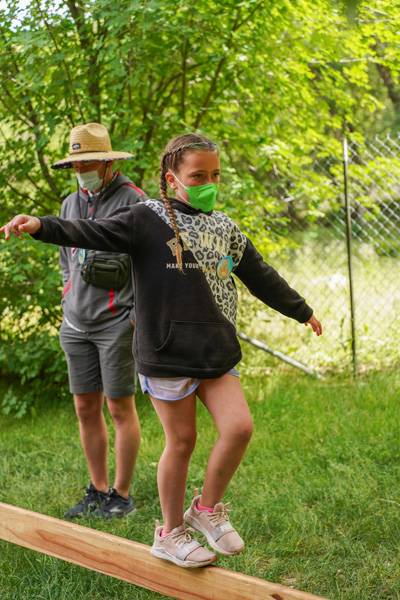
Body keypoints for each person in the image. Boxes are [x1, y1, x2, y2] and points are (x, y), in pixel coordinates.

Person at [1, 132, 322, 567]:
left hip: (215, 351)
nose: (208, 183)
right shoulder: (145, 219)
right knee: (182, 441)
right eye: (198, 176)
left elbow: (259, 273)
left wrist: (301, 310)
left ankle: (205, 509)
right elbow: (91, 231)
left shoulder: (224, 227)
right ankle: (170, 533)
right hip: (167, 353)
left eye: (215, 175)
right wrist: (41, 225)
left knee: (239, 428)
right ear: (173, 179)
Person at [52, 122, 145, 519]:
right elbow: (65, 260)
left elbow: (148, 265)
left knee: (120, 408)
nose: (81, 171)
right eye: (75, 164)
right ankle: (97, 488)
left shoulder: (134, 202)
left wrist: (135, 314)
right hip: (76, 324)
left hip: (115, 324)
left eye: (87, 163)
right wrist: (67, 291)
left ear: (108, 163)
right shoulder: (69, 204)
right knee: (85, 407)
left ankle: (120, 496)